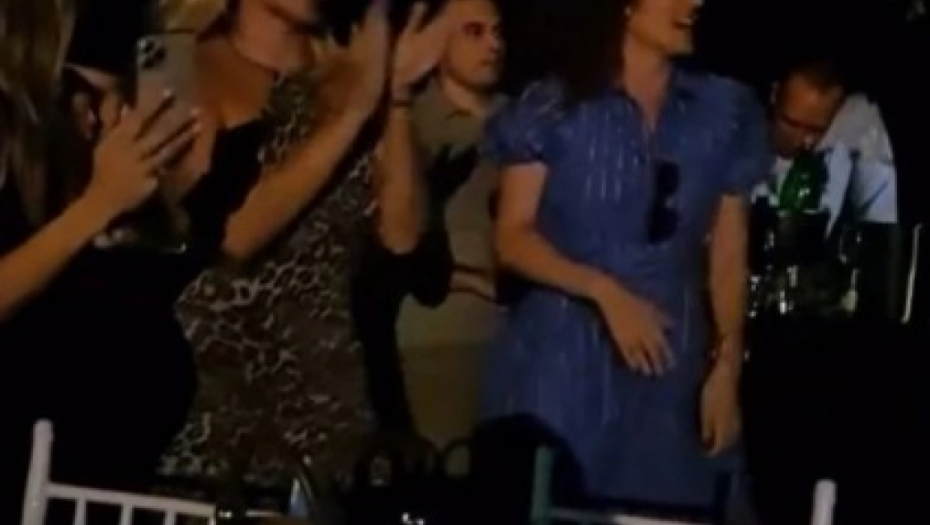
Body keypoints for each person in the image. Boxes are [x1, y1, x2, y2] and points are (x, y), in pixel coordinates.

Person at [480, 0, 770, 514]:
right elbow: (513, 237)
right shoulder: (554, 105)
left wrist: (727, 367)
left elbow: (728, 254)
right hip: (564, 364)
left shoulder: (724, 112)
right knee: (557, 502)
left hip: (671, 366)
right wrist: (604, 291)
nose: (693, 3)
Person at [158, 0, 451, 491]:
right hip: (212, 401)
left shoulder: (351, 70)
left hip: (327, 401)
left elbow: (401, 237)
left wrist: (395, 99)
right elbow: (229, 238)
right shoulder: (181, 66)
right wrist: (352, 114)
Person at [0, 0, 201, 522]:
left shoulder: (91, 168)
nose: (107, 119)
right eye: (91, 98)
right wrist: (97, 205)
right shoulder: (16, 144)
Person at [352, 0, 507, 442]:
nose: (493, 44)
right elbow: (384, 246)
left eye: (498, 31)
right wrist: (472, 280)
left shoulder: (529, 121)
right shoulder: (409, 126)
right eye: (473, 32)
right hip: (441, 338)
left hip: (517, 339)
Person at [752, 58, 897, 230]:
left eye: (815, 130)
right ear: (774, 95)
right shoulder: (740, 131)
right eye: (791, 123)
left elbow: (882, 221)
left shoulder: (856, 128)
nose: (801, 141)